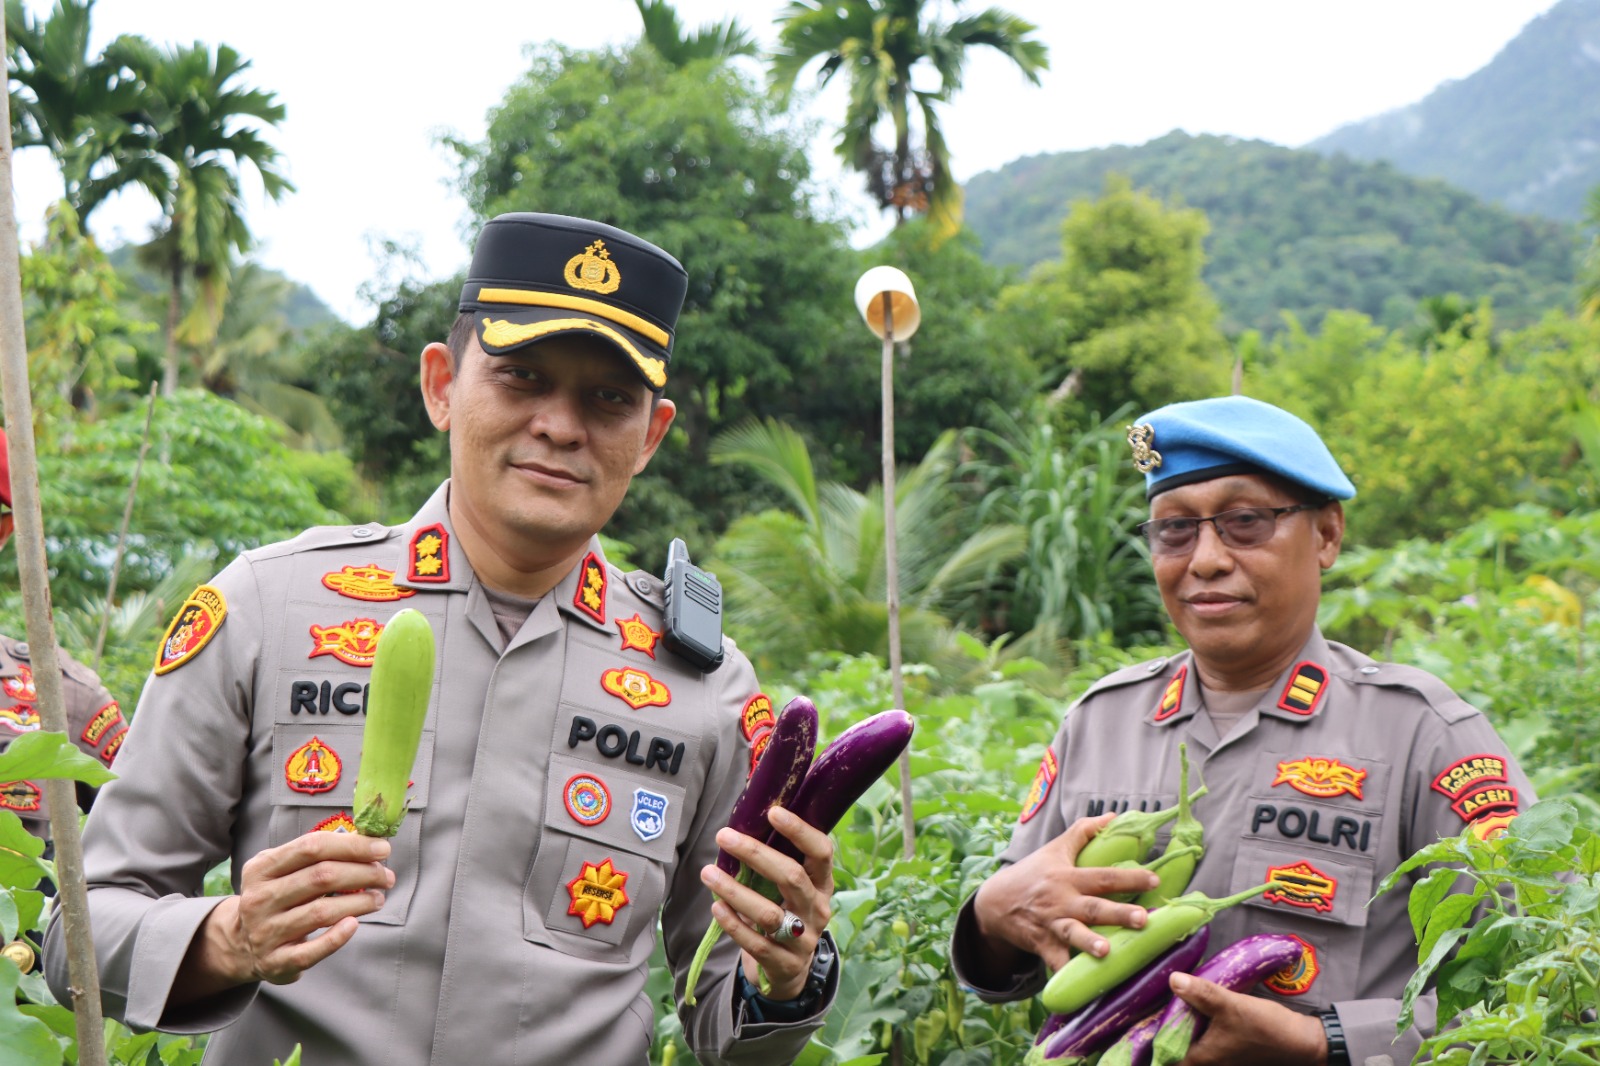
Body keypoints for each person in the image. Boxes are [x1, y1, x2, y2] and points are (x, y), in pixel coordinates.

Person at [46, 213, 840, 1065]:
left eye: (608, 398)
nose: (561, 426)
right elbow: (80, 936)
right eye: (521, 376)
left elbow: (727, 1024)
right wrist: (229, 936)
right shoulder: (268, 611)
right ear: (441, 386)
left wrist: (785, 976)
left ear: (650, 435)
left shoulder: (706, 689)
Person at [950, 396, 1533, 1066]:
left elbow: (1538, 978)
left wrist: (1325, 1041)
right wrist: (992, 915)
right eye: (1173, 530)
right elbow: (1006, 960)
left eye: (1245, 522)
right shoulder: (1099, 722)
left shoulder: (1423, 737)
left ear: (1326, 535)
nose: (1204, 560)